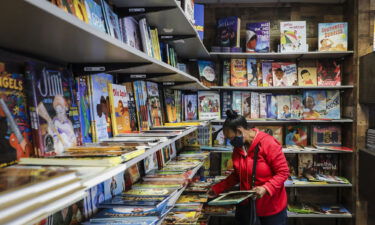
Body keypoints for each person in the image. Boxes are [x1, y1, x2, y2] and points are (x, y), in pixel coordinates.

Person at [208, 110, 289, 225]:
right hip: (247, 208)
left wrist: (266, 188)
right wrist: (217, 188)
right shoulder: (238, 149)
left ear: (240, 131)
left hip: (270, 208)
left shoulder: (268, 143)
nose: (230, 142)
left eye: (230, 138)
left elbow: (283, 172)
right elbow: (237, 175)